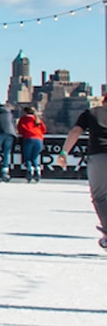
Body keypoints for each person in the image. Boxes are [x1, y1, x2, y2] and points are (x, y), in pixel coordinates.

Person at [57, 95, 107, 250]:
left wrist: (64, 153)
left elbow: (75, 132)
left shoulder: (91, 113)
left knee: (100, 196)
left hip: (99, 156)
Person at [17, 105, 46, 183]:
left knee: (28, 158)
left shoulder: (23, 119)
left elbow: (20, 129)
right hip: (39, 139)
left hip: (28, 139)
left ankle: (29, 171)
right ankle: (37, 171)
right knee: (35, 157)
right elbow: (43, 130)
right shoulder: (37, 120)